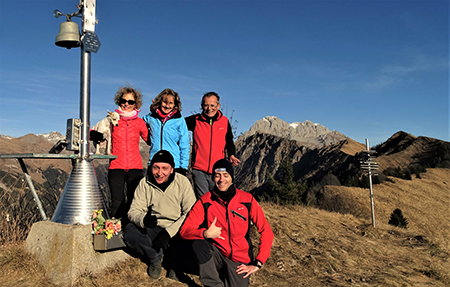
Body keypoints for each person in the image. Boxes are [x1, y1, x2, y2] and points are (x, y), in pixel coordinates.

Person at [180, 159, 274, 287]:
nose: (221, 180)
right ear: (213, 178)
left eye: (225, 175)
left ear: (231, 177)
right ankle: (213, 284)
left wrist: (258, 262)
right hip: (216, 254)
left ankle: (225, 275)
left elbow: (266, 231)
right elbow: (185, 230)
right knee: (200, 243)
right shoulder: (205, 201)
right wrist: (205, 233)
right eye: (217, 176)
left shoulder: (247, 200)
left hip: (239, 260)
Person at [124, 150, 196, 280]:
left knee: (193, 237)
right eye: (156, 168)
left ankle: (176, 266)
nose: (160, 173)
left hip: (177, 228)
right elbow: (133, 211)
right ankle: (155, 257)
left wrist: (169, 233)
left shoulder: (183, 182)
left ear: (172, 169)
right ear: (151, 167)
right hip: (154, 227)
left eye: (164, 168)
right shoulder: (145, 183)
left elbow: (191, 212)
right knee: (130, 231)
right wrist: (143, 220)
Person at [185, 91, 241, 199]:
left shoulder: (224, 122)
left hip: (218, 171)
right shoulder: (195, 120)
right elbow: (176, 123)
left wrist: (231, 155)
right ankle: (204, 216)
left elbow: (229, 141)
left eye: (212, 105)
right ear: (202, 106)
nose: (209, 108)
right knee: (203, 200)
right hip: (199, 169)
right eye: (206, 105)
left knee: (217, 199)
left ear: (218, 106)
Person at [108, 85, 149, 220]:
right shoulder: (111, 119)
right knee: (117, 203)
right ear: (119, 101)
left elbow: (150, 139)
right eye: (124, 101)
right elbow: (99, 131)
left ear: (135, 104)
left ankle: (132, 232)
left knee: (134, 202)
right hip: (116, 166)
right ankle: (114, 233)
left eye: (130, 102)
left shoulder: (139, 122)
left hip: (135, 168)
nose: (126, 104)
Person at [143, 88, 189, 175]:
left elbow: (185, 144)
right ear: (160, 102)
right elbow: (139, 125)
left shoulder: (179, 120)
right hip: (154, 162)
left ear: (175, 105)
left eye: (171, 103)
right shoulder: (151, 117)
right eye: (165, 102)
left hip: (174, 165)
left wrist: (184, 166)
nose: (167, 106)